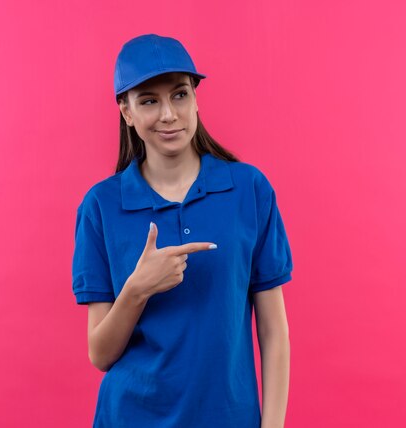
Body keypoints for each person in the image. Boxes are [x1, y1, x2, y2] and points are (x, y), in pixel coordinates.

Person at [72, 33, 293, 428]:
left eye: (179, 94)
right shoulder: (101, 206)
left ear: (195, 97)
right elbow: (100, 354)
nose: (169, 115)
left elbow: (273, 331)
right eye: (149, 101)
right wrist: (138, 288)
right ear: (126, 111)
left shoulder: (248, 190)